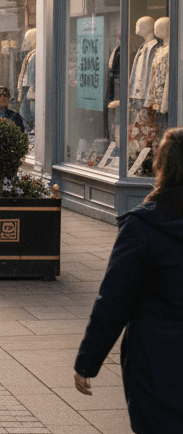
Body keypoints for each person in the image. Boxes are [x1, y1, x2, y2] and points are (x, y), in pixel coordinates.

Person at [73, 129, 183, 433]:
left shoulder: (143, 226)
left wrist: (87, 362)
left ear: (160, 165)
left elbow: (114, 300)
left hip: (156, 359)